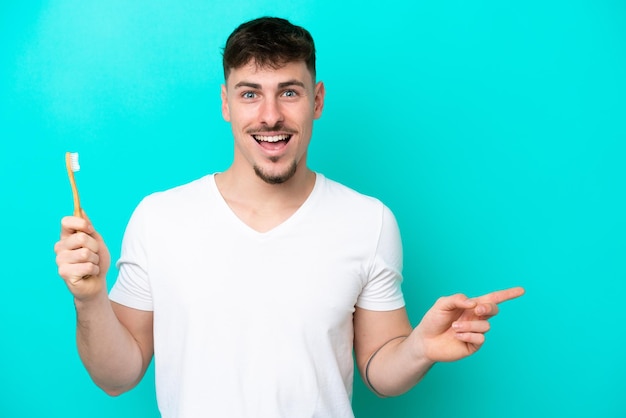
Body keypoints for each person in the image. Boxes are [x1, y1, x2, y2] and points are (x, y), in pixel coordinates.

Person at [54, 16, 525, 418]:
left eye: (290, 92)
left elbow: (380, 371)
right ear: (226, 103)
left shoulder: (369, 221)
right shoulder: (160, 218)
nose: (271, 115)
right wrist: (90, 300)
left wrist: (419, 349)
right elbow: (117, 377)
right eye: (250, 94)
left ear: (317, 100)